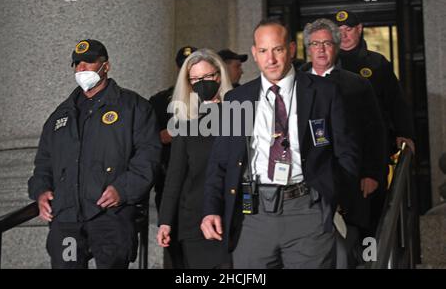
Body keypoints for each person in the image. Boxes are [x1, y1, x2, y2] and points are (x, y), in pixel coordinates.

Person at [200, 19, 360, 269]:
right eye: (263, 51)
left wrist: (333, 200)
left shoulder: (324, 92)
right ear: (254, 53)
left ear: (292, 49)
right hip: (252, 216)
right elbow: (220, 162)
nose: (271, 59)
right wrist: (210, 208)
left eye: (278, 49)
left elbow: (346, 152)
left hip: (308, 212)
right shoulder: (236, 99)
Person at [27, 39, 161, 269]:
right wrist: (40, 192)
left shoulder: (133, 107)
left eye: (88, 63)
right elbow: (44, 162)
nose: (81, 69)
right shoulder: (60, 115)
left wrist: (123, 189)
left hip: (110, 215)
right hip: (67, 217)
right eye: (77, 64)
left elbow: (148, 156)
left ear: (105, 66)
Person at [300, 18, 386, 268]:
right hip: (307, 180)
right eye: (316, 43)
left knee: (346, 248)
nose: (321, 49)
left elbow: (374, 132)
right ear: (308, 47)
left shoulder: (356, 83)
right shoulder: (295, 82)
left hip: (348, 177)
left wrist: (371, 173)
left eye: (327, 43)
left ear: (336, 46)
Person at [334, 10, 416, 234]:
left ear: (359, 29)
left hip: (373, 150)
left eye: (348, 29)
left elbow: (396, 102)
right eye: (339, 31)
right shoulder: (328, 65)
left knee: (372, 213)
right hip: (340, 152)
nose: (345, 35)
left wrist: (404, 132)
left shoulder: (377, 63)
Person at [156, 49, 233, 269]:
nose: (202, 83)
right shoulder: (186, 124)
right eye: (196, 79)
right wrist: (165, 221)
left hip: (233, 217)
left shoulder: (239, 115)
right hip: (195, 222)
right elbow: (175, 176)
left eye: (207, 77)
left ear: (219, 76)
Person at [149, 45, 197, 269]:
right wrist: (173, 133)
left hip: (202, 182)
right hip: (170, 182)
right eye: (184, 66)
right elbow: (150, 140)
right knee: (175, 249)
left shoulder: (212, 98)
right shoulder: (160, 101)